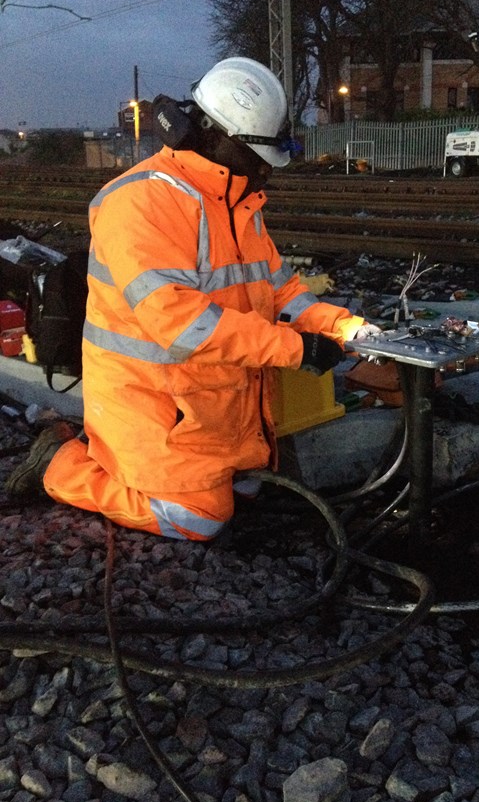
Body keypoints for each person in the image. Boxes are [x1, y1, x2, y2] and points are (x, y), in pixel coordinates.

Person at [4, 56, 380, 541]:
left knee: (247, 492)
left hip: (214, 401)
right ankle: (62, 466)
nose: (266, 170)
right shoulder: (138, 204)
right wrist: (297, 349)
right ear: (215, 137)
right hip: (150, 402)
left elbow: (282, 290)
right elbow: (183, 324)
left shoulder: (235, 201)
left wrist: (343, 327)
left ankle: (169, 470)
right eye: (259, 155)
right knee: (198, 517)